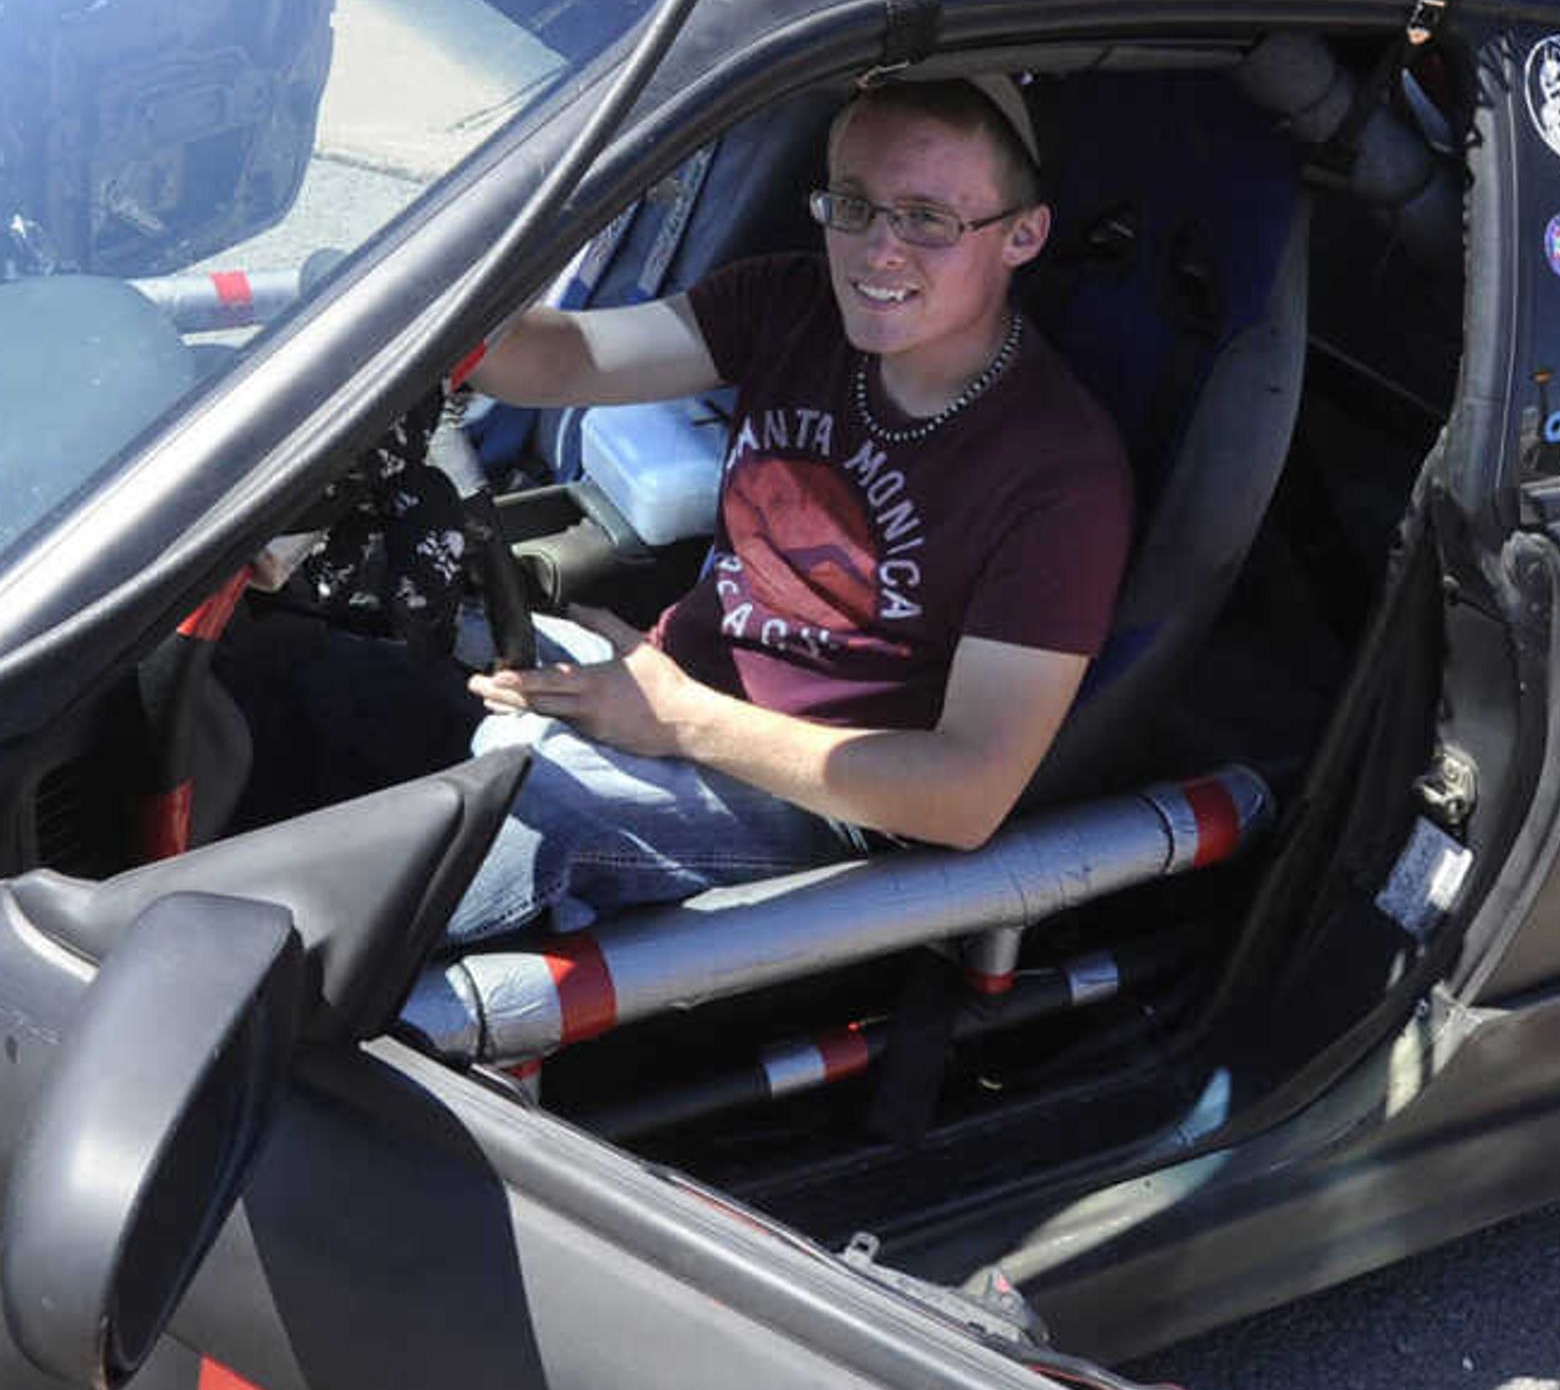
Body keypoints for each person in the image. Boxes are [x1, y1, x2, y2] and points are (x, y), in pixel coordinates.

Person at [435, 78, 1133, 944]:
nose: (877, 250)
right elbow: (563, 359)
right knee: (359, 665)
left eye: (927, 219)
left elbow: (967, 793)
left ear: (1022, 235)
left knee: (478, 844)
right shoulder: (791, 302)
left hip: (816, 796)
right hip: (660, 692)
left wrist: (684, 721)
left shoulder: (1060, 474)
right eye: (854, 205)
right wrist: (426, 290)